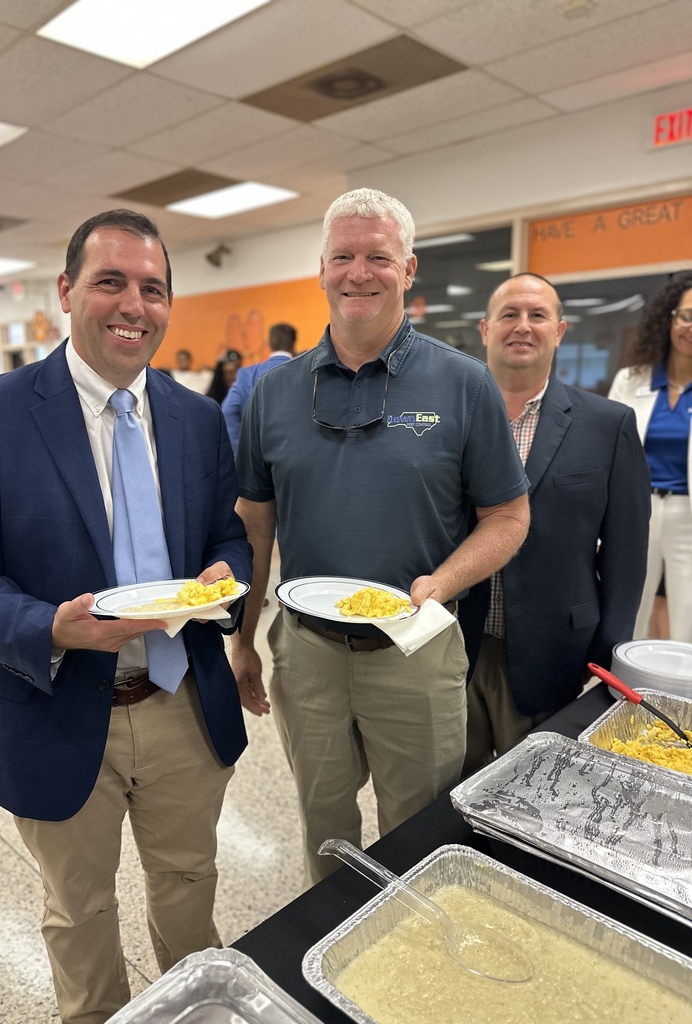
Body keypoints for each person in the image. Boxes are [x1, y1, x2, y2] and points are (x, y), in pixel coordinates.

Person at [0, 209, 252, 1024]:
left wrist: (225, 575)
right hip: (56, 704)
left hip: (182, 701)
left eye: (152, 288)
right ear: (66, 291)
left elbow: (227, 538)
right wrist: (49, 627)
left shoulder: (199, 419)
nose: (132, 304)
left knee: (188, 893)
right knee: (80, 916)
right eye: (110, 281)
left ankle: (194, 1013)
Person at [232, 188, 530, 885]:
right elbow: (255, 521)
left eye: (377, 257)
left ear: (409, 269)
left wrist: (442, 584)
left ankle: (412, 958)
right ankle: (332, 947)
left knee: (418, 826)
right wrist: (243, 638)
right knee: (323, 822)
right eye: (343, 256)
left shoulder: (463, 384)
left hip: (414, 653)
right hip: (305, 654)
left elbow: (509, 517)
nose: (358, 273)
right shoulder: (275, 393)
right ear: (321, 269)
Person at [458, 274, 651, 777]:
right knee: (445, 798)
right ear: (485, 329)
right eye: (509, 315)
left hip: (555, 654)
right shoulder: (451, 419)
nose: (523, 326)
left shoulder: (608, 425)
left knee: (540, 798)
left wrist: (610, 659)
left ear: (559, 330)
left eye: (537, 315)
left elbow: (627, 554)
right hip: (453, 648)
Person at [608, 272, 692, 642]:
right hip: (637, 512)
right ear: (670, 319)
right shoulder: (632, 378)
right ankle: (621, 694)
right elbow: (607, 450)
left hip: (688, 516)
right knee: (628, 608)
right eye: (687, 315)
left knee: (687, 619)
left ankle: (681, 699)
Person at [223, 323, 297, 451]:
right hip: (295, 453)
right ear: (293, 344)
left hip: (256, 453)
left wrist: (239, 450)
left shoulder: (246, 374)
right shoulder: (304, 372)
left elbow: (228, 411)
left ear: (269, 343)